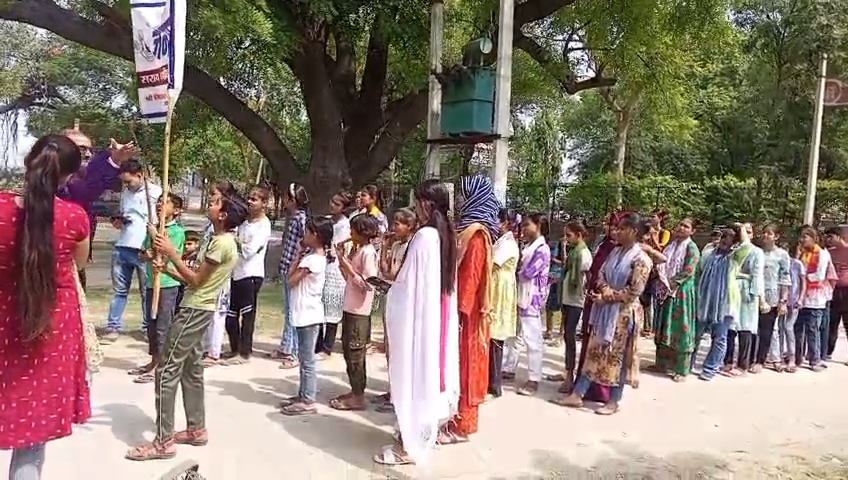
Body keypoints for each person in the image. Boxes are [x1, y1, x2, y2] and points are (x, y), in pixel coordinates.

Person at [125, 191, 247, 461]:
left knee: (166, 370)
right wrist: (166, 268)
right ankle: (196, 428)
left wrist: (171, 253)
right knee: (192, 369)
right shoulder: (219, 239)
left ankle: (163, 441)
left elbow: (196, 281)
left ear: (223, 215)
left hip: (194, 309)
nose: (210, 203)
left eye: (215, 202)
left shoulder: (222, 243)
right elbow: (193, 277)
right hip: (199, 306)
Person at [0, 135, 90, 479]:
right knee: (31, 433)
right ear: (68, 176)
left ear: (28, 162)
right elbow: (77, 264)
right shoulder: (75, 219)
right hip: (50, 330)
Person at [373, 180, 459, 466]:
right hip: (436, 315)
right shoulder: (445, 234)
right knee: (427, 374)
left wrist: (391, 292)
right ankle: (415, 435)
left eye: (418, 201)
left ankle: (408, 446)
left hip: (419, 317)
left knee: (414, 374)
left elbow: (408, 284)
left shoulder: (424, 237)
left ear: (427, 204)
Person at [552, 213, 651, 415]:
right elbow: (601, 273)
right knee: (594, 352)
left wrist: (608, 297)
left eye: (622, 229)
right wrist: (604, 289)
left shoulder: (642, 259)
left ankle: (614, 401)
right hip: (604, 310)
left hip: (623, 315)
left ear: (633, 231)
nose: (617, 232)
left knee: (617, 358)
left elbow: (634, 290)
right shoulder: (615, 252)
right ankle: (577, 394)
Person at [442, 174, 499, 443]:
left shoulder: (476, 235)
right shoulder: (467, 230)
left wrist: (460, 310)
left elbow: (472, 278)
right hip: (463, 310)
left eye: (464, 196)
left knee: (468, 366)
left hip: (469, 315)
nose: (460, 201)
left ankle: (463, 425)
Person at [58, 131, 139, 291]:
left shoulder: (81, 175)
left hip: (73, 265)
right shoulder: (55, 184)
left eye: (90, 150)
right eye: (82, 149)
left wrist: (113, 158)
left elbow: (91, 175)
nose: (88, 154)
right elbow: (86, 188)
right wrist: (112, 160)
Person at [278, 217, 334, 416]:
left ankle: (308, 399)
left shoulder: (313, 260)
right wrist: (299, 255)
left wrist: (297, 257)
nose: (304, 235)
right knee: (303, 357)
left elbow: (291, 280)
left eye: (308, 232)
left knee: (307, 359)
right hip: (305, 312)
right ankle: (303, 394)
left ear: (316, 235)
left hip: (309, 315)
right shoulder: (311, 257)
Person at [102, 159, 162, 342]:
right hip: (123, 246)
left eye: (129, 181)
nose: (127, 185)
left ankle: (147, 328)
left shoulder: (156, 193)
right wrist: (118, 221)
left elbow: (162, 220)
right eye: (124, 182)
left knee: (146, 291)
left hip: (143, 248)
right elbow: (122, 215)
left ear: (140, 175)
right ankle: (113, 326)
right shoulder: (125, 194)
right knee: (119, 291)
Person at [130, 193, 186, 384]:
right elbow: (146, 252)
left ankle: (162, 366)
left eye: (165, 202)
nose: (160, 205)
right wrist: (146, 253)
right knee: (151, 325)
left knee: (163, 326)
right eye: (159, 202)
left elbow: (167, 255)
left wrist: (154, 235)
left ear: (176, 210)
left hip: (167, 284)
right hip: (151, 282)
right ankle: (154, 360)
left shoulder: (177, 232)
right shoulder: (153, 228)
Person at [329, 214, 380, 411]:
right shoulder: (359, 250)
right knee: (349, 353)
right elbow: (349, 278)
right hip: (350, 307)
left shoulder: (368, 253)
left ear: (362, 232)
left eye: (353, 230)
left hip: (360, 311)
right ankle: (354, 390)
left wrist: (348, 266)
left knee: (356, 353)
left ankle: (359, 396)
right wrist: (342, 259)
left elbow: (368, 284)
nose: (350, 233)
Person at [691, 224, 751, 381]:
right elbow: (698, 275)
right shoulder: (707, 255)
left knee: (719, 338)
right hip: (705, 301)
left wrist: (741, 229)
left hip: (725, 303)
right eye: (724, 237)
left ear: (734, 242)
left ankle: (710, 368)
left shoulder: (734, 257)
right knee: (695, 335)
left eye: (730, 238)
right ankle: (687, 364)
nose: (725, 240)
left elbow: (746, 246)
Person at [374, 207, 418, 412]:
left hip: (403, 301)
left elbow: (392, 273)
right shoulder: (398, 245)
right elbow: (384, 270)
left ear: (409, 226)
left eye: (398, 224)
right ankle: (392, 389)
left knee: (399, 349)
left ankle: (398, 395)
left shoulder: (411, 247)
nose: (394, 227)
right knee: (390, 346)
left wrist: (388, 252)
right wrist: (385, 247)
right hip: (392, 297)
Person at [503, 213, 551, 396]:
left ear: (537, 226)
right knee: (514, 336)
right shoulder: (530, 247)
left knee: (532, 340)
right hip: (522, 295)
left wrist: (514, 272)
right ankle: (509, 367)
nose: (523, 229)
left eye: (526, 225)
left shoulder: (542, 249)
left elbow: (528, 273)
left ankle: (534, 379)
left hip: (531, 298)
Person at [225, 185, 272, 365]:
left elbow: (249, 251)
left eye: (255, 199)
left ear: (264, 203)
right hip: (236, 273)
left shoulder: (264, 225)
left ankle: (244, 353)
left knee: (247, 315)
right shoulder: (243, 223)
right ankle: (234, 348)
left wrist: (233, 241)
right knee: (231, 315)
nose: (250, 202)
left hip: (251, 274)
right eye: (249, 198)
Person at [652, 218, 700, 382]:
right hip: (665, 291)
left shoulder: (692, 248)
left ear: (692, 231)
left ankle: (681, 369)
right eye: (680, 225)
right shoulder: (671, 245)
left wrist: (672, 283)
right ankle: (662, 364)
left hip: (681, 292)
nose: (681, 228)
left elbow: (689, 269)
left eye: (686, 226)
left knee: (681, 328)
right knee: (663, 326)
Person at [201, 181, 239, 367]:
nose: (210, 199)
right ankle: (207, 347)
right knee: (208, 313)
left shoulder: (227, 230)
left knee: (217, 314)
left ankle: (214, 352)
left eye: (214, 196)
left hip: (218, 277)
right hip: (207, 274)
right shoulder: (211, 226)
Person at [273, 182, 309, 369]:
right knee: (288, 310)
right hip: (287, 266)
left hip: (293, 268)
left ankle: (294, 352)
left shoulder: (301, 218)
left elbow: (307, 243)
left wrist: (298, 264)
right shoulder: (294, 217)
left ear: (292, 199)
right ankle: (286, 346)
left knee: (293, 310)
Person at [554, 220, 592, 394]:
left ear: (579, 235)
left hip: (576, 301)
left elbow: (586, 277)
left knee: (570, 337)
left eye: (569, 235)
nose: (567, 239)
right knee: (567, 337)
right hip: (568, 299)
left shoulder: (583, 254)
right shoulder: (574, 252)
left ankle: (570, 376)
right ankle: (567, 372)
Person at [722, 223, 764, 377]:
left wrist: (757, 295)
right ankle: (727, 361)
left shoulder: (756, 251)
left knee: (745, 327)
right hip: (731, 288)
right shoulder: (732, 250)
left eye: (748, 231)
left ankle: (743, 365)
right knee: (730, 326)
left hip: (747, 290)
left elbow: (758, 275)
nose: (743, 233)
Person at [316, 190, 353, 358]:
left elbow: (340, 247)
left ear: (343, 207)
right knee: (319, 305)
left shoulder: (345, 225)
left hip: (336, 269)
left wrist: (330, 250)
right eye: (332, 201)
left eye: (337, 204)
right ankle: (317, 343)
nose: (332, 205)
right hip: (323, 266)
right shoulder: (328, 220)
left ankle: (327, 346)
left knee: (332, 308)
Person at [488, 208, 520, 399]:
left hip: (501, 288)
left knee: (496, 336)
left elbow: (492, 263)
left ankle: (495, 383)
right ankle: (491, 379)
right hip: (497, 285)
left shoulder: (507, 244)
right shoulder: (502, 241)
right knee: (492, 335)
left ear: (506, 222)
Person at [751, 224, 791, 373]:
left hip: (771, 296)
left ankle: (760, 360)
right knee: (753, 329)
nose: (765, 236)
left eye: (769, 233)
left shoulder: (782, 254)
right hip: (755, 294)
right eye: (764, 232)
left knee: (766, 330)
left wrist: (783, 301)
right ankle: (750, 357)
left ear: (776, 237)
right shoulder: (757, 252)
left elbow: (785, 278)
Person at [795, 226, 831, 372]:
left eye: (805, 237)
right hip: (801, 298)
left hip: (815, 299)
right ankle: (797, 357)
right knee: (798, 329)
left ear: (813, 238)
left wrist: (803, 277)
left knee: (812, 330)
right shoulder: (803, 254)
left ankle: (815, 360)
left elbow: (819, 276)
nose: (802, 240)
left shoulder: (822, 254)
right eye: (801, 237)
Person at [824, 226, 848, 359]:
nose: (828, 240)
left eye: (831, 237)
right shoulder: (829, 253)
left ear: (839, 237)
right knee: (832, 322)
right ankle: (827, 351)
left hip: (846, 290)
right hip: (833, 291)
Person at [544, 234, 564, 342]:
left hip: (565, 279)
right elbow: (554, 259)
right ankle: (549, 330)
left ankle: (561, 332)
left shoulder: (575, 248)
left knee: (565, 308)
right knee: (549, 306)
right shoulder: (559, 244)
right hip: (555, 276)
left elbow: (565, 262)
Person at [176, 230, 201, 308]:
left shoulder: (198, 258)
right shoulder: (180, 257)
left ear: (196, 244)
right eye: (184, 244)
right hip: (180, 287)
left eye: (189, 244)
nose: (186, 246)